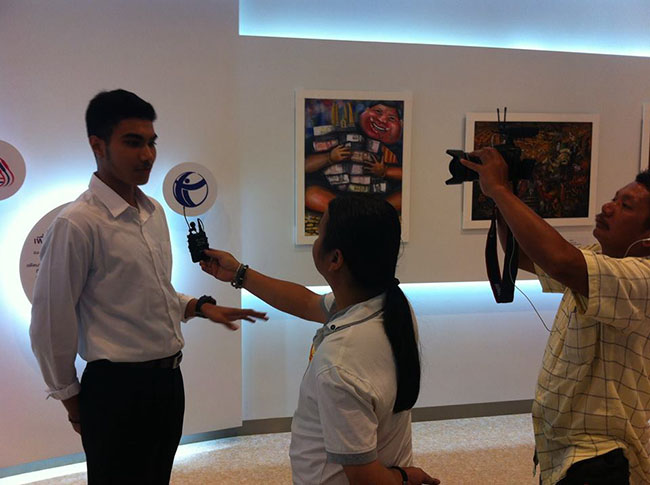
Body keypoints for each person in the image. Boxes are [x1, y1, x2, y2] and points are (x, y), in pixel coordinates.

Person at [29, 89, 266, 485]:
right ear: (97, 145)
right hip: (115, 390)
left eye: (152, 142)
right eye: (133, 142)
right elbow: (50, 322)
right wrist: (73, 402)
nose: (147, 155)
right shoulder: (77, 224)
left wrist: (201, 307)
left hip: (168, 382)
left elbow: (150, 292)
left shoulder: (152, 212)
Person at [200, 195, 439, 484]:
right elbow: (307, 303)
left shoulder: (338, 363)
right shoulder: (389, 306)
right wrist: (240, 273)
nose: (316, 240)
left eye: (319, 233)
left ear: (335, 259)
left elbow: (365, 478)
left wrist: (406, 478)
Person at [461, 147, 650, 485]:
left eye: (625, 206)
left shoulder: (643, 278)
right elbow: (526, 255)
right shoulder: (600, 257)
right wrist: (502, 197)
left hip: (602, 455)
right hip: (564, 447)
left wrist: (500, 190)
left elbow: (560, 260)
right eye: (614, 198)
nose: (608, 207)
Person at [305, 101, 404, 214]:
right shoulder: (337, 133)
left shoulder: (396, 148)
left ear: (400, 124)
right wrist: (329, 158)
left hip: (378, 200)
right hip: (337, 196)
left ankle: (372, 215)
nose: (382, 120)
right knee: (311, 194)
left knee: (403, 195)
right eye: (378, 112)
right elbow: (304, 166)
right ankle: (347, 213)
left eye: (391, 118)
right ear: (365, 111)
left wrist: (385, 171)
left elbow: (408, 175)